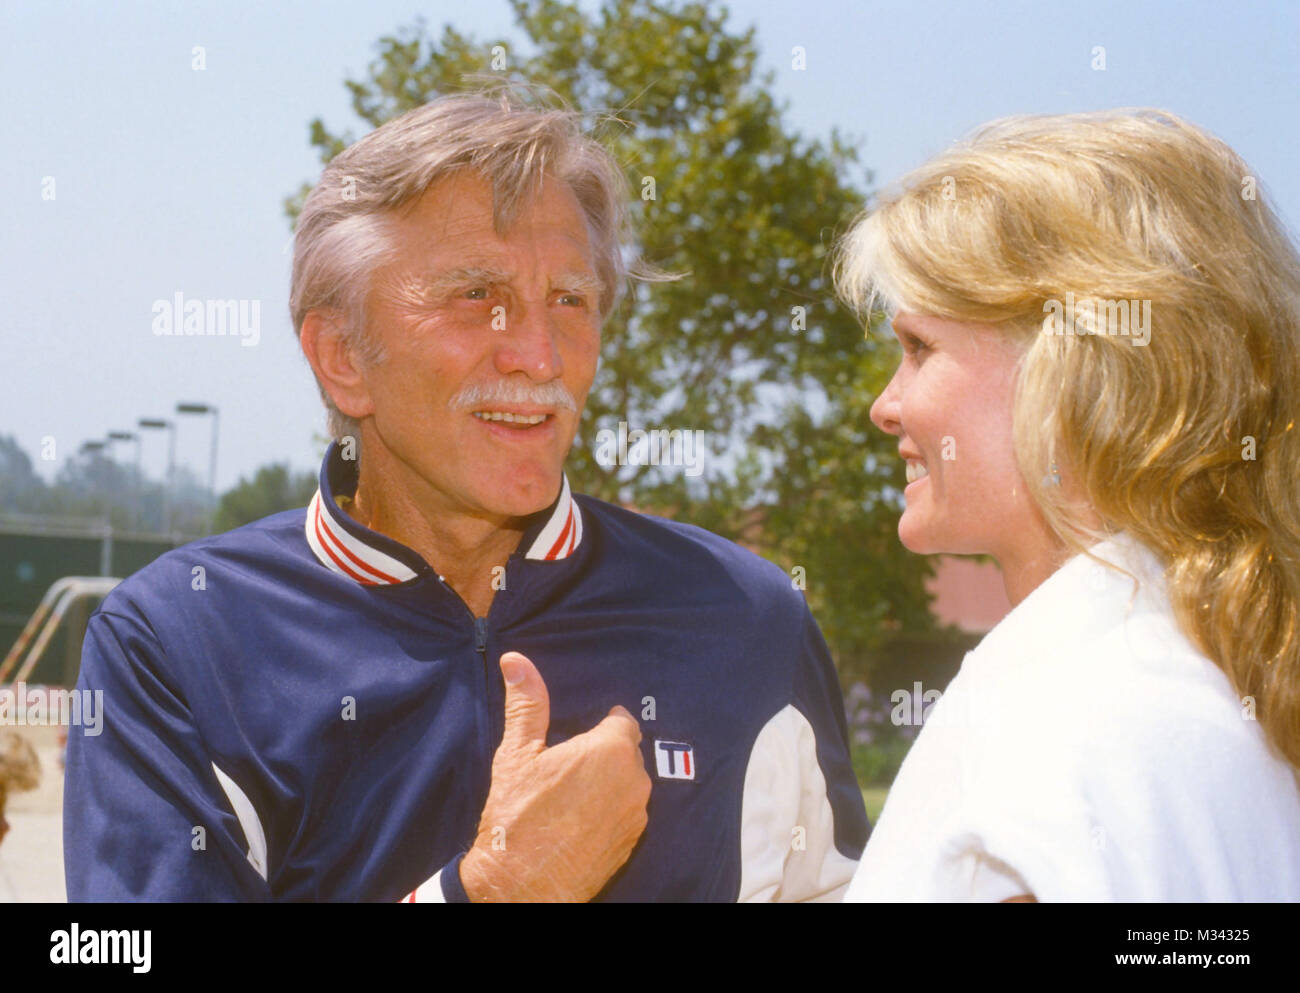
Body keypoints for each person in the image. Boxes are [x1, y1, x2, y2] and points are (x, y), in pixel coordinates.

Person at [63, 91, 867, 902]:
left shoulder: (748, 619)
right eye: (477, 296)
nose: (538, 354)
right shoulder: (174, 644)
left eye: (570, 300)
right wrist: (495, 891)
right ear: (342, 355)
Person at [835, 109, 1300, 901]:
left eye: (918, 348)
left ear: (1074, 371)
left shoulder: (1071, 729)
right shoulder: (1194, 685)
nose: (885, 405)